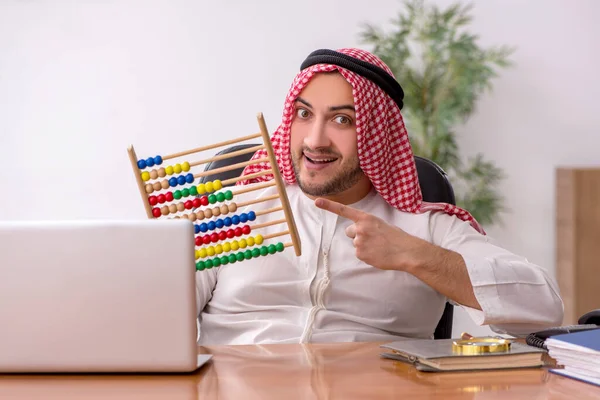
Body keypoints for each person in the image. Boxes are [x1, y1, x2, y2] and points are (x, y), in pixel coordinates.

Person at [194, 48, 563, 345]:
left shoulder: (427, 226)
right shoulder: (236, 210)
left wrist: (415, 255)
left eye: (342, 120)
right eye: (304, 114)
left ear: (377, 135)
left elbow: (543, 307)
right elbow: (152, 311)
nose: (314, 140)